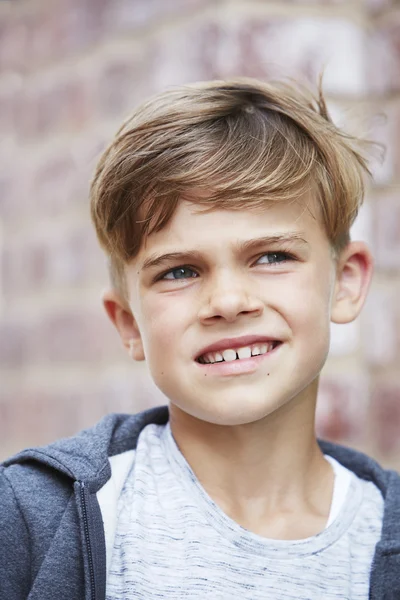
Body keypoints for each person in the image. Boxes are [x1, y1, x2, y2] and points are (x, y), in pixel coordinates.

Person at [1, 77, 399, 600]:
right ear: (128, 322)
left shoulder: (381, 529)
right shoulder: (28, 518)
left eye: (272, 257)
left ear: (346, 282)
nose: (229, 301)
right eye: (180, 271)